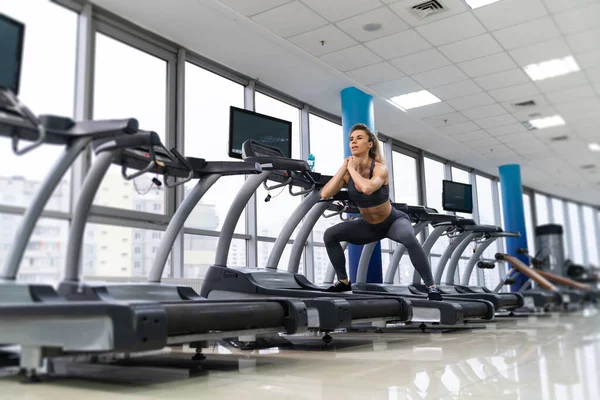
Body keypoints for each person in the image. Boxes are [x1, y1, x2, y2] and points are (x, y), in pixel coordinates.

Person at [320, 123, 442, 301]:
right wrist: (343, 167)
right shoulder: (348, 173)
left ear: (370, 144)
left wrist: (352, 169)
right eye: (351, 139)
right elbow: (325, 193)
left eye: (359, 138)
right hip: (369, 226)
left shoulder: (380, 168)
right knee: (330, 235)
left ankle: (431, 286)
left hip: (393, 221)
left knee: (408, 238)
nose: (354, 142)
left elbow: (367, 188)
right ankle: (344, 282)